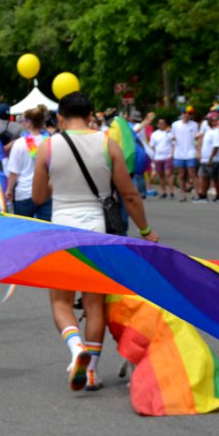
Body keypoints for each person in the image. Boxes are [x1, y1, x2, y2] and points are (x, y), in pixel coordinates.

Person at [33, 92, 159, 392]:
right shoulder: (107, 143)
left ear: (60, 118)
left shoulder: (48, 146)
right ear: (91, 115)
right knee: (94, 303)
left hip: (61, 229)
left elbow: (38, 197)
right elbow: (129, 194)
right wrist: (146, 231)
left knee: (61, 301)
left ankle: (77, 350)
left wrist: (60, 180)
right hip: (98, 229)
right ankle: (92, 371)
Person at [5, 105, 51, 220]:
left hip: (24, 193)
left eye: (23, 120)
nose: (21, 123)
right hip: (46, 192)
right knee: (46, 232)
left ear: (29, 123)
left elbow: (14, 171)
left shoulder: (19, 143)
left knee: (24, 232)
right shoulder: (49, 142)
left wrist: (9, 189)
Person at [194, 112, 219, 203]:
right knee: (204, 177)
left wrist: (211, 158)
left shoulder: (216, 132)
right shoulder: (209, 131)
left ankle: (214, 196)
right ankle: (204, 195)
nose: (207, 121)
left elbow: (216, 146)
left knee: (211, 178)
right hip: (206, 159)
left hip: (211, 159)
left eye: (209, 120)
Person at [170, 107, 199, 202]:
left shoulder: (194, 125)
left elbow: (196, 139)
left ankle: (196, 193)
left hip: (191, 152)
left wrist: (198, 151)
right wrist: (172, 152)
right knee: (181, 175)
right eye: (184, 113)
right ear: (181, 114)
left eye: (188, 113)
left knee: (192, 174)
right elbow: (172, 137)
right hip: (179, 153)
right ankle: (183, 194)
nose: (186, 115)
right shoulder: (175, 125)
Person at [149, 118, 174, 198]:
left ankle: (172, 191)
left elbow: (174, 143)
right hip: (158, 157)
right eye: (160, 123)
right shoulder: (154, 134)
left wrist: (172, 154)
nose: (161, 124)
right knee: (161, 175)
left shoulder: (170, 133)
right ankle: (164, 192)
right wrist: (153, 156)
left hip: (168, 156)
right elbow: (152, 146)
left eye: (163, 123)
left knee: (168, 174)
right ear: (157, 125)